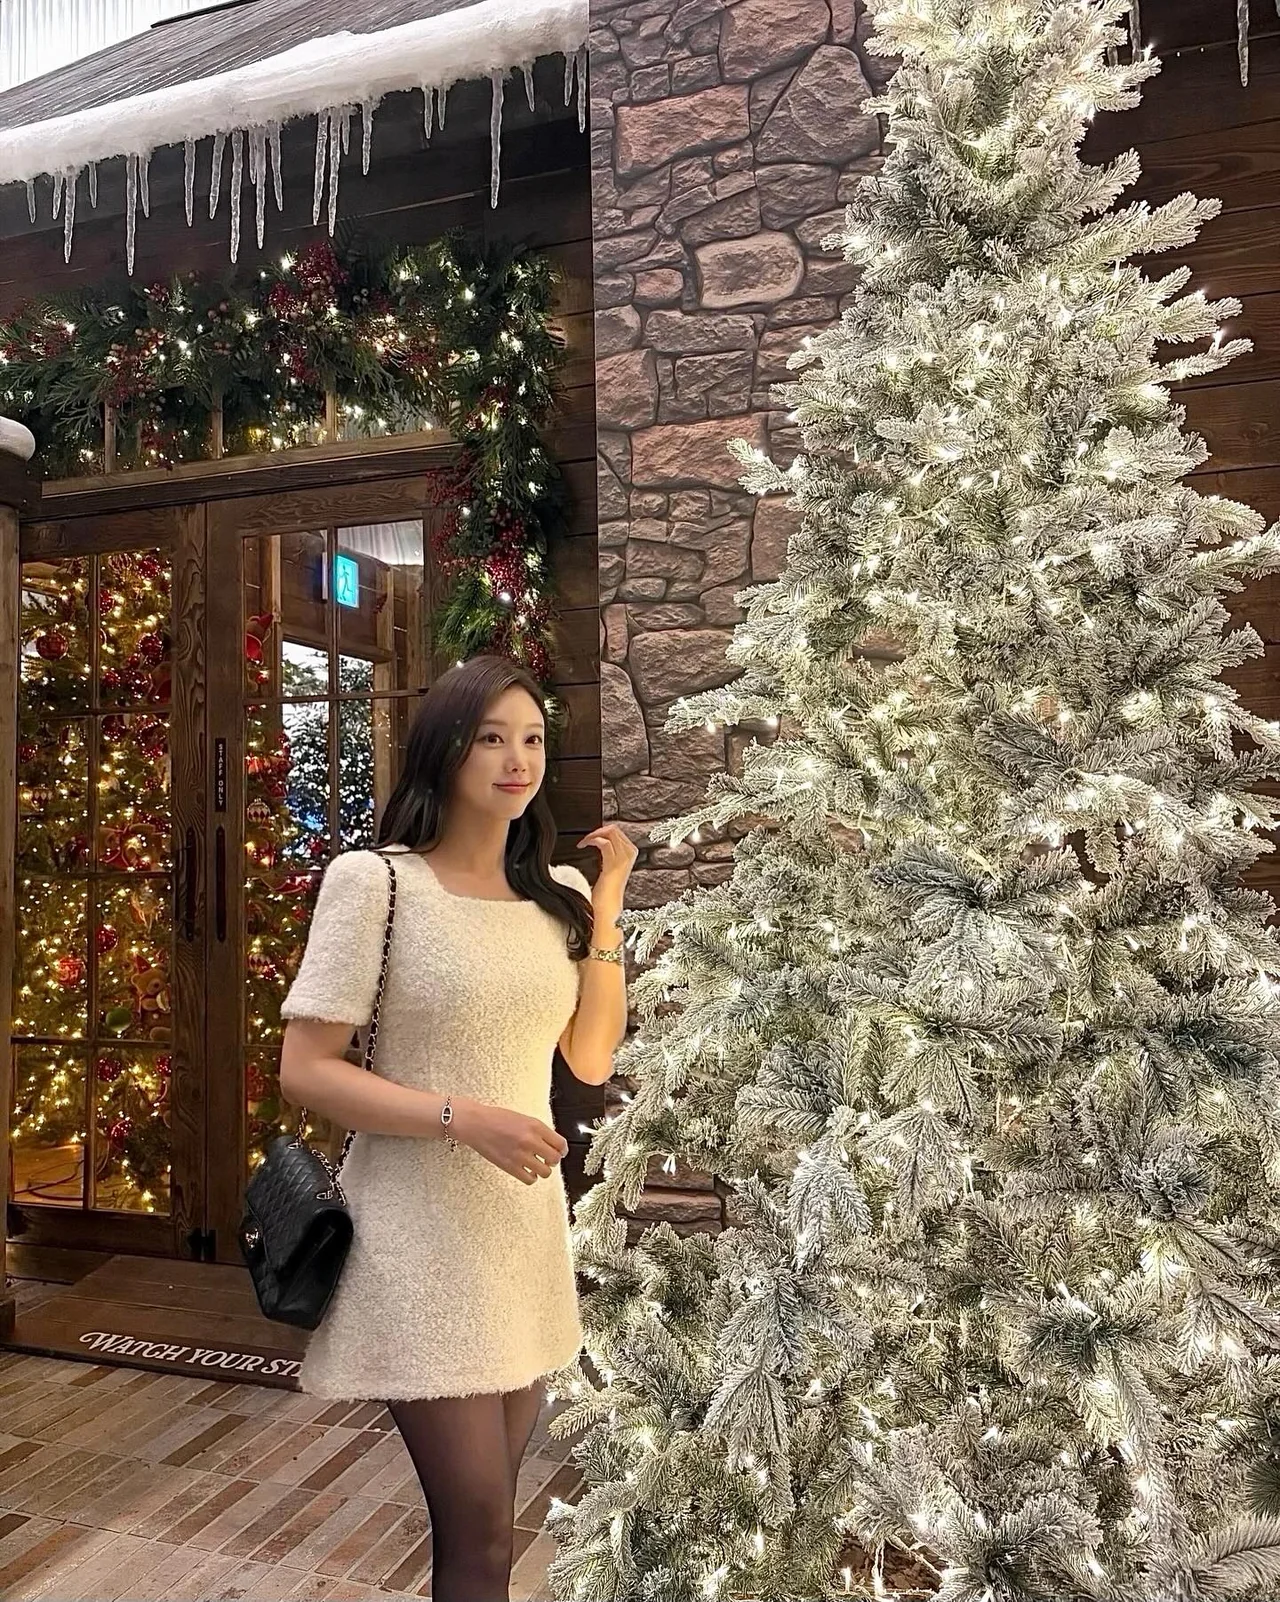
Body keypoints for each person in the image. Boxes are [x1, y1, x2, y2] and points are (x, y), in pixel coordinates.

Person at [278, 654, 636, 1602]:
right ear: (445, 749)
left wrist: (606, 910)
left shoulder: (556, 893)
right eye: (491, 738)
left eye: (533, 740)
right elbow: (305, 1069)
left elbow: (591, 1059)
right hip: (415, 1232)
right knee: (477, 1537)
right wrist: (460, 1117)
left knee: (494, 1531)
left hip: (520, 1233)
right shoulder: (376, 883)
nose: (518, 761)